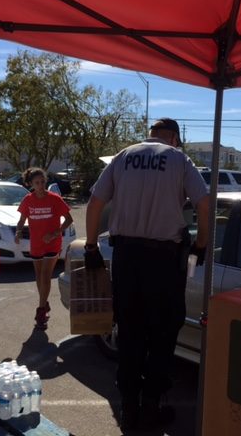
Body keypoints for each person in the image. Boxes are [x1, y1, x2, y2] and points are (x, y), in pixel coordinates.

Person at [84, 118, 209, 430]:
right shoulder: (180, 160)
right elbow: (205, 204)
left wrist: (90, 246)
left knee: (130, 333)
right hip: (165, 264)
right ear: (174, 139)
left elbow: (95, 201)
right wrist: (201, 245)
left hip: (127, 259)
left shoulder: (124, 156)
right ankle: (151, 408)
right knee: (163, 336)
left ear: (151, 135)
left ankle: (129, 408)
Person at [15, 167, 74, 330]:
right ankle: (44, 301)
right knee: (39, 276)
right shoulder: (28, 200)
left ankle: (41, 312)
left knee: (46, 275)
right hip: (36, 244)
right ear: (31, 184)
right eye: (36, 183)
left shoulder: (55, 199)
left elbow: (69, 219)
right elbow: (22, 219)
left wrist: (55, 233)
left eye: (42, 182)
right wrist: (18, 232)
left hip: (52, 243)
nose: (40, 186)